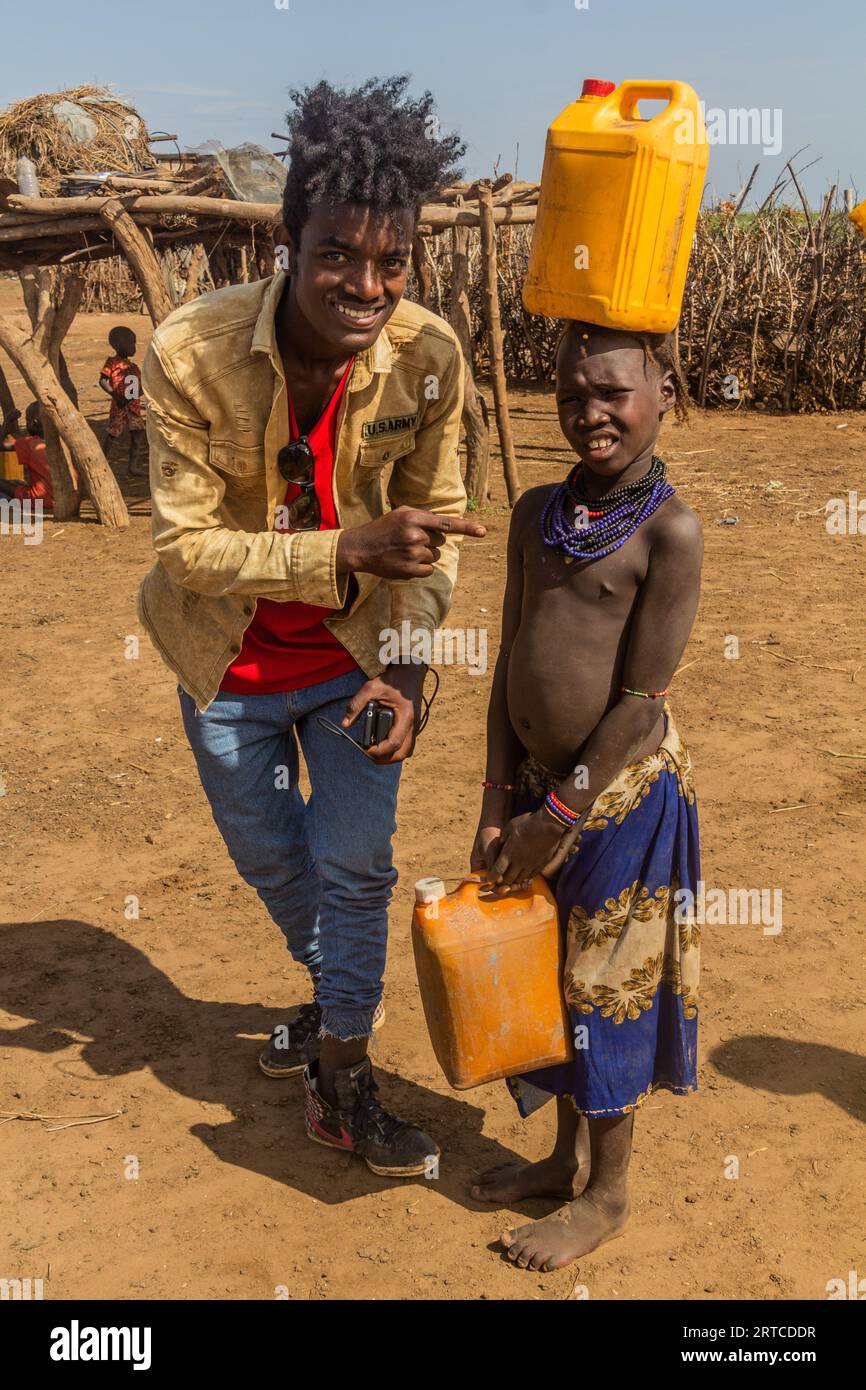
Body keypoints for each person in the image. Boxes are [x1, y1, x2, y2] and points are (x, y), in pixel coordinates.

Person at [137, 76, 485, 1179]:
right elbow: (186, 549)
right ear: (287, 239)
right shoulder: (187, 351)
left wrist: (409, 672)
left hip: (354, 664)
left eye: (391, 261)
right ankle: (330, 995)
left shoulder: (427, 360)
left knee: (352, 868)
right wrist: (341, 547)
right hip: (222, 661)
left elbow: (434, 545)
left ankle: (342, 1077)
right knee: (274, 863)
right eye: (338, 252)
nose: (366, 285)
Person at [469, 321, 703, 1271]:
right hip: (531, 796)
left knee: (607, 988)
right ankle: (562, 1159)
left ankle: (607, 1194)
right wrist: (498, 801)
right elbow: (508, 659)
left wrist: (556, 817)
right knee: (546, 980)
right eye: (572, 396)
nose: (590, 415)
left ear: (663, 391)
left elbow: (642, 707)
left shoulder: (670, 532)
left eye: (613, 394)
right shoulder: (536, 511)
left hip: (616, 803)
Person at [99, 326, 147, 476]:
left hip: (134, 409)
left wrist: (138, 393)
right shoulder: (112, 363)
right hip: (119, 407)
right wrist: (115, 394)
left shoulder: (134, 367)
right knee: (112, 435)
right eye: (131, 343)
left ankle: (133, 466)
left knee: (137, 436)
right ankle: (102, 463)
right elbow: (102, 381)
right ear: (119, 345)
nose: (134, 347)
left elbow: (141, 387)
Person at [0, 403, 55, 508]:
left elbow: (1, 446)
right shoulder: (60, 440)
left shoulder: (31, 443)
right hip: (61, 498)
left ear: (34, 422)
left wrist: (7, 421)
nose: (26, 424)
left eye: (27, 420)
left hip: (39, 499)